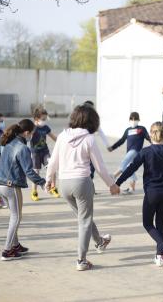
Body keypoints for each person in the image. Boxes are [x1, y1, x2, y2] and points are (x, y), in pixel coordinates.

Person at [45, 105, 120, 271]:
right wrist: (111, 185)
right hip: (81, 183)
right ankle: (81, 260)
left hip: (64, 184)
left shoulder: (62, 136)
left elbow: (53, 161)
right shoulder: (89, 139)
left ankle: (100, 241)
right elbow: (99, 167)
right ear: (91, 121)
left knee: (83, 217)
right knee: (84, 220)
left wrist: (49, 179)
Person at [116, 122, 163, 268]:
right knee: (160, 223)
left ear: (151, 135)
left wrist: (118, 183)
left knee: (147, 223)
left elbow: (130, 168)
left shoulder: (145, 152)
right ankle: (160, 257)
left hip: (152, 193)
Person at [0, 119, 46, 261]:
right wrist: (42, 183)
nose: (32, 136)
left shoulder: (7, 142)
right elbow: (29, 171)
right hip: (10, 186)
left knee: (14, 215)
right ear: (26, 133)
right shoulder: (22, 148)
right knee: (16, 217)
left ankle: (15, 245)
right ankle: (7, 251)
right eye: (32, 133)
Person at [108, 112, 151, 195]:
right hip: (129, 152)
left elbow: (148, 137)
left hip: (136, 151)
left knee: (125, 161)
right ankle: (132, 188)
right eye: (132, 119)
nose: (133, 121)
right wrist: (113, 147)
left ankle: (114, 175)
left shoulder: (141, 129)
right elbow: (122, 140)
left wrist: (155, 143)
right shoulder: (128, 130)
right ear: (129, 120)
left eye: (135, 119)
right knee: (129, 168)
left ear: (139, 120)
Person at [30, 107, 57, 201]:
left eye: (45, 119)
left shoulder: (45, 128)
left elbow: (53, 137)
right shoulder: (32, 128)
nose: (44, 121)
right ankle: (34, 191)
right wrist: (33, 128)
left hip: (45, 151)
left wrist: (61, 142)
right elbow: (28, 137)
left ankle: (53, 188)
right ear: (36, 119)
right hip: (35, 153)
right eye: (43, 119)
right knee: (36, 171)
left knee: (52, 167)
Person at [83, 100, 110, 180]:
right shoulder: (80, 120)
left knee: (93, 166)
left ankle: (89, 184)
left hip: (90, 146)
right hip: (81, 147)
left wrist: (107, 145)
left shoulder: (93, 121)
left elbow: (101, 132)